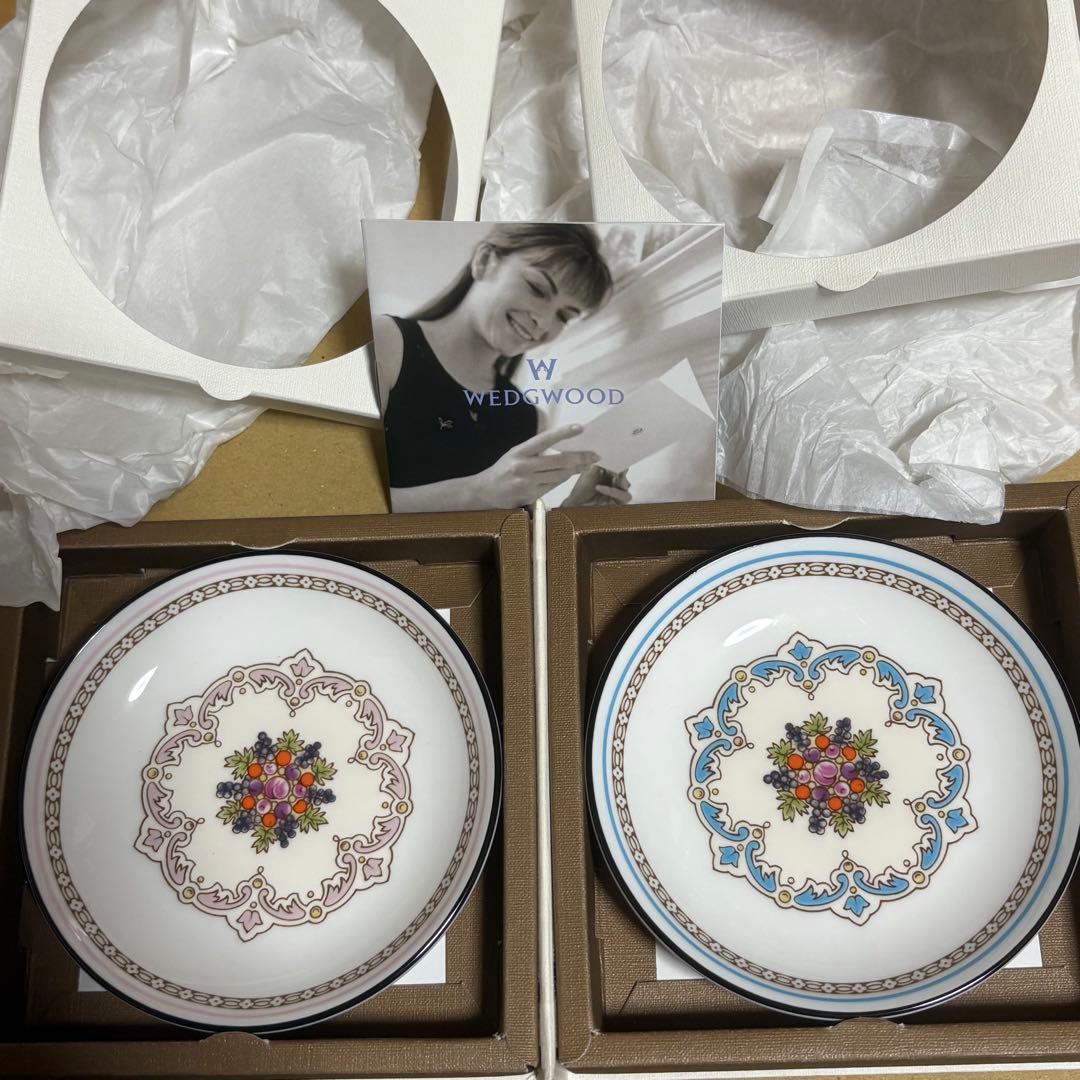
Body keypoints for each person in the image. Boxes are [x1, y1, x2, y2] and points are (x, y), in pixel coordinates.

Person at [375, 223, 631, 511]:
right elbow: (342, 500)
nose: (544, 322)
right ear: (485, 260)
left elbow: (516, 533)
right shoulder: (385, 341)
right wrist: (476, 493)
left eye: (563, 316)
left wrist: (571, 513)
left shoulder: (531, 420)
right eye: (537, 288)